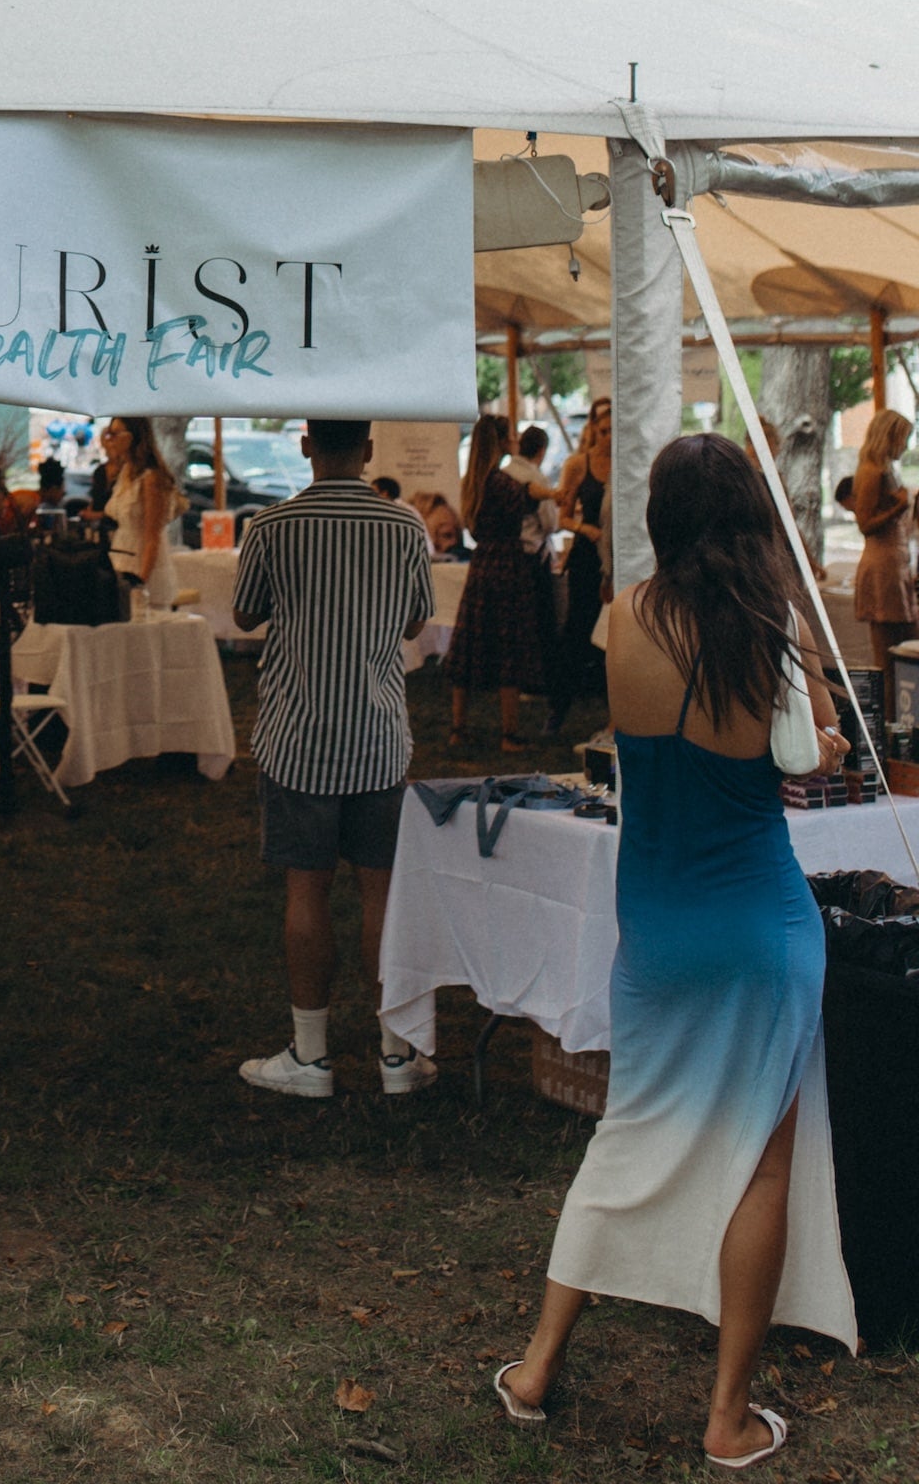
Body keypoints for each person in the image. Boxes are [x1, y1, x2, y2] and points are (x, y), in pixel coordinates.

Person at [495, 432, 853, 1461]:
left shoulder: (623, 620)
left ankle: (535, 1369)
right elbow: (805, 752)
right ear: (747, 518)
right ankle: (729, 1416)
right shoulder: (770, 630)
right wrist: (813, 714)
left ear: (660, 519)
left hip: (654, 919)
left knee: (627, 1129)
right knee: (763, 1168)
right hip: (757, 923)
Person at [232, 417, 436, 1100]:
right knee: (381, 893)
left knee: (306, 890)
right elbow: (415, 621)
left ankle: (312, 1055)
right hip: (378, 736)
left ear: (305, 444)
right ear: (370, 450)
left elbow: (246, 614)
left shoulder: (269, 527)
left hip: (297, 735)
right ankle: (396, 1053)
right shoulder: (405, 527)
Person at [447, 413, 550, 751]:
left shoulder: (473, 482)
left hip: (481, 564)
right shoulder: (504, 484)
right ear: (502, 441)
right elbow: (531, 494)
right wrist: (559, 492)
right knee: (509, 648)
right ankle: (509, 734)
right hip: (507, 564)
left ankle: (458, 728)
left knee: (468, 646)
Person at [549, 397, 612, 725]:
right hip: (588, 555)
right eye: (604, 431)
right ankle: (559, 707)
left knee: (617, 631)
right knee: (577, 628)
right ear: (594, 430)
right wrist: (584, 527)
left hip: (616, 555)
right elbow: (562, 518)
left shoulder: (625, 464)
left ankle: (612, 705)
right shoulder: (578, 465)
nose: (609, 438)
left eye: (615, 431)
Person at [850, 405, 915, 671]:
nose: (906, 446)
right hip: (882, 568)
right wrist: (897, 508)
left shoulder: (886, 468)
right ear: (890, 437)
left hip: (894, 563)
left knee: (906, 645)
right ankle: (889, 709)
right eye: (904, 438)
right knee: (888, 658)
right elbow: (864, 523)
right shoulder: (871, 472)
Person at [100, 416, 182, 606]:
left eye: (114, 433)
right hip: (121, 556)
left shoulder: (151, 478)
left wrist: (140, 583)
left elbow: (152, 536)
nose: (110, 439)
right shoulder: (126, 471)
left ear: (132, 437)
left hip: (143, 563)